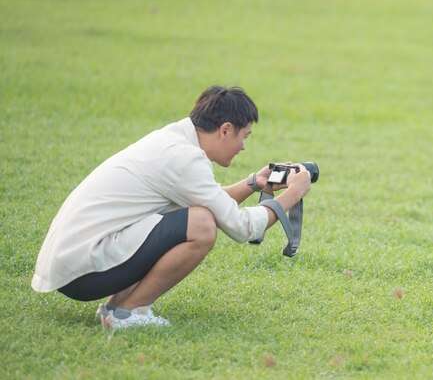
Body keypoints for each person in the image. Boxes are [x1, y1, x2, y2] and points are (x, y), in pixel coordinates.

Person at [31, 86, 312, 329]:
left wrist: (253, 183)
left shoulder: (173, 140)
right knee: (200, 225)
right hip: (83, 273)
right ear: (225, 129)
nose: (243, 147)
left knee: (195, 216)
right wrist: (292, 195)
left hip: (73, 265)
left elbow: (209, 200)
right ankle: (129, 312)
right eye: (244, 136)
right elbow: (242, 228)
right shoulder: (184, 159)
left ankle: (116, 309)